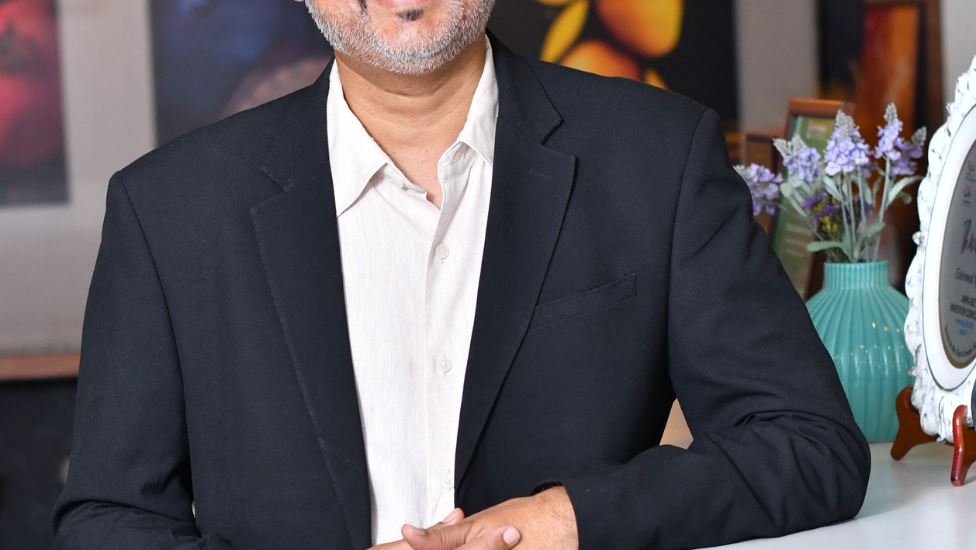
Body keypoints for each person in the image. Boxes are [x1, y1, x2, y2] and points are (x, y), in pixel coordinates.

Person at [52, 0, 871, 548]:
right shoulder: (168, 209)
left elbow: (810, 446)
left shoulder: (656, 157)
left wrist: (565, 520)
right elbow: (107, 521)